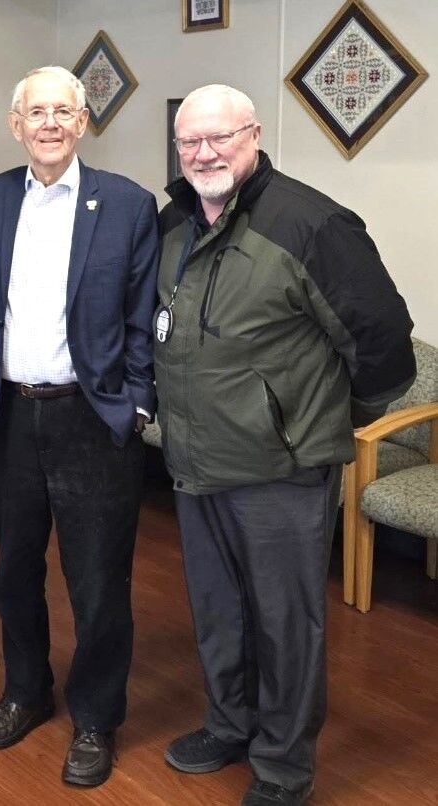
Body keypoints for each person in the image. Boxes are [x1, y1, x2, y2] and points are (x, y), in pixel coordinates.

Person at [156, 85, 415, 806]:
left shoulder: (312, 224)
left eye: (221, 137)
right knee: (219, 612)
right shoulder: (174, 221)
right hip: (196, 462)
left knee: (285, 626)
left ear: (255, 135)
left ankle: (282, 767)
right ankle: (229, 724)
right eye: (189, 141)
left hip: (283, 471)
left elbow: (384, 344)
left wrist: (320, 417)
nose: (205, 153)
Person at [0, 66, 159, 787]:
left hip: (91, 418)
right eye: (35, 112)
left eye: (62, 112)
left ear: (82, 122)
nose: (49, 123)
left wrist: (136, 404)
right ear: (16, 126)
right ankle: (26, 691)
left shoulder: (128, 204)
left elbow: (142, 317)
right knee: (13, 572)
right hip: (7, 415)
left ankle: (96, 718)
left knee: (97, 582)